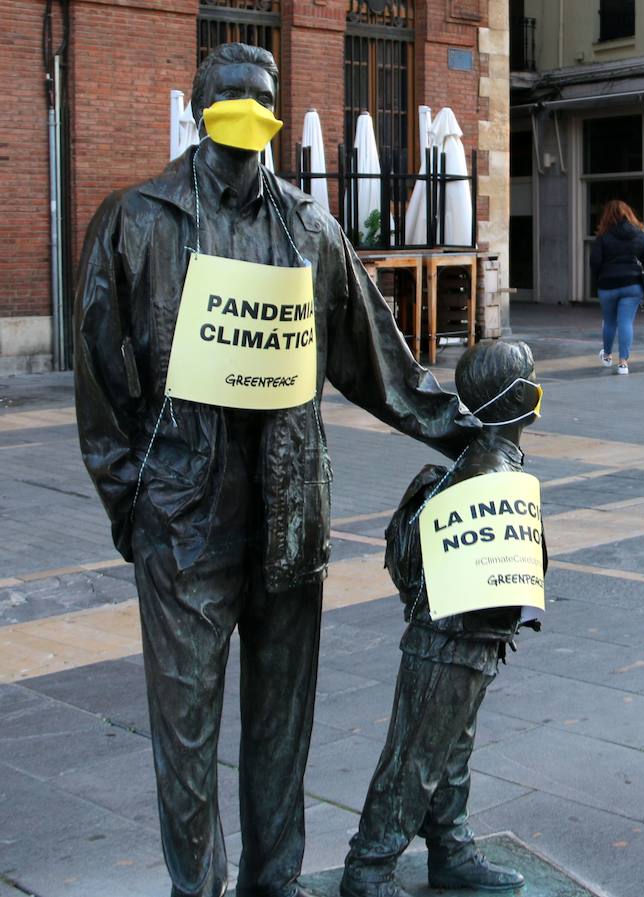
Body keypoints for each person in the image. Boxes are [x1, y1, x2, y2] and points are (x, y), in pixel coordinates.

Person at [72, 44, 482, 897]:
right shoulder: (135, 219)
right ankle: (199, 888)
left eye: (262, 95)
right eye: (231, 93)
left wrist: (467, 431)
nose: (247, 108)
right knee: (185, 726)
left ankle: (276, 879)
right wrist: (134, 504)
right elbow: (101, 383)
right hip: (185, 518)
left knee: (282, 720)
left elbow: (378, 361)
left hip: (290, 515)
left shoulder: (312, 228)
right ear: (199, 102)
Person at [341, 341, 543, 897]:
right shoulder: (485, 469)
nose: (536, 387)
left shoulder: (494, 459)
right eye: (532, 378)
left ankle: (450, 848)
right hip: (449, 640)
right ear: (522, 399)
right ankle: (370, 867)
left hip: (473, 639)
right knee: (417, 757)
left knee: (451, 750)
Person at [590, 200, 644, 375]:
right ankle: (623, 363)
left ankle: (608, 356)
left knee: (609, 322)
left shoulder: (603, 236)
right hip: (632, 285)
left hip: (608, 285)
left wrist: (600, 278)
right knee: (626, 322)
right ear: (629, 214)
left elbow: (594, 262)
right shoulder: (639, 234)